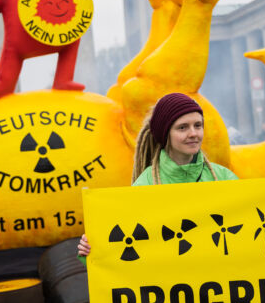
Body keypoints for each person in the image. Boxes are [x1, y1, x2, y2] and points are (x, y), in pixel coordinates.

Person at [77, 93, 238, 258]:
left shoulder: (224, 178)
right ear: (165, 133)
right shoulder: (145, 185)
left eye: (198, 125)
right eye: (182, 127)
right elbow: (124, 247)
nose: (193, 133)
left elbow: (247, 230)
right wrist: (92, 249)